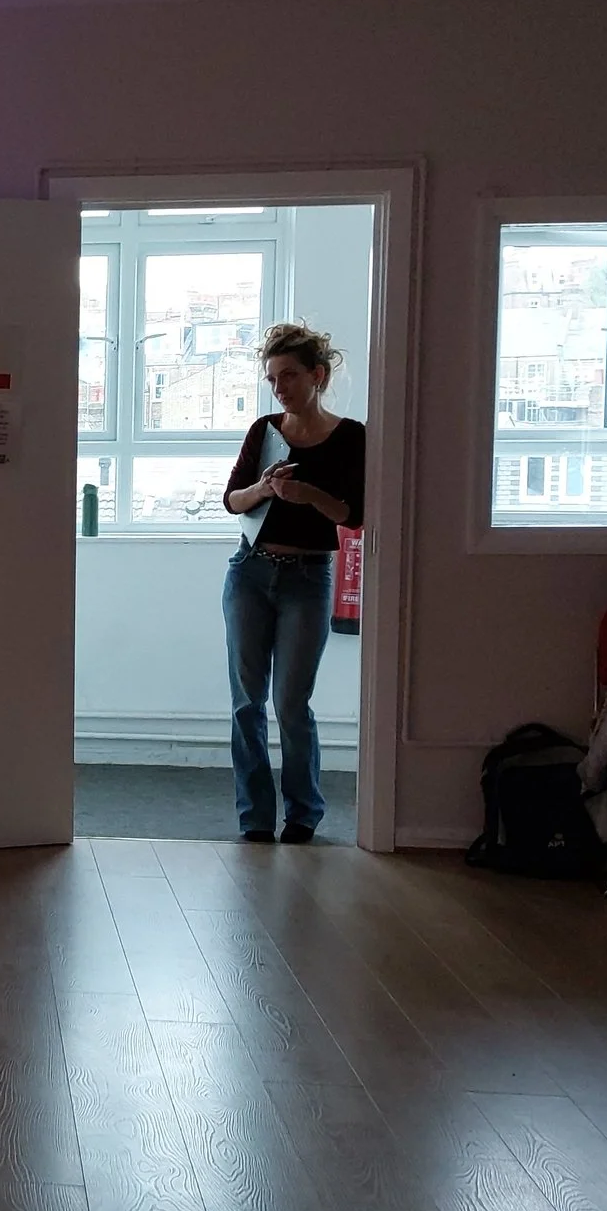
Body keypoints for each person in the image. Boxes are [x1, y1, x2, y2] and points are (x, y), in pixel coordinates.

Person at [219, 323, 365, 844]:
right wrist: (264, 488)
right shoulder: (264, 429)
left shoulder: (351, 436)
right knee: (246, 700)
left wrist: (307, 495)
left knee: (290, 703)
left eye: (289, 376)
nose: (279, 388)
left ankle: (303, 812)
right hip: (251, 570)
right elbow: (231, 501)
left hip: (308, 576)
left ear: (318, 375)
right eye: (272, 378)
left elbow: (354, 515)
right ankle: (254, 816)